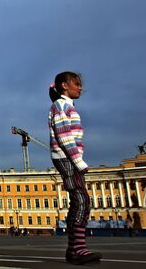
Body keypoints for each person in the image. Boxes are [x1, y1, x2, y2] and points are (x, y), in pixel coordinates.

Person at [49, 71, 102, 265]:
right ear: (64, 85)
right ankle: (77, 250)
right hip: (67, 157)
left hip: (67, 157)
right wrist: (78, 161)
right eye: (76, 83)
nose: (80, 87)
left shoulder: (64, 105)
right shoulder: (60, 105)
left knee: (80, 200)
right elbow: (64, 136)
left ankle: (75, 249)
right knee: (81, 199)